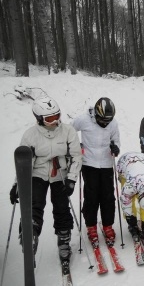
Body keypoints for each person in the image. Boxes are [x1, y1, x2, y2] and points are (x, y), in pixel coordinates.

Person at [9, 96, 82, 264]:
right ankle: (30, 235)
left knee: (62, 207)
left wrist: (71, 179)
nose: (55, 121)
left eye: (57, 116)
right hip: (38, 173)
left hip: (60, 173)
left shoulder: (67, 130)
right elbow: (23, 163)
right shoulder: (30, 135)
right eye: (50, 118)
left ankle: (63, 241)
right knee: (34, 204)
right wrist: (17, 185)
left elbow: (76, 156)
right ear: (40, 119)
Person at [72, 97, 120, 247]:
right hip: (89, 163)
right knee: (91, 196)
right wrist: (75, 144)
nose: (105, 123)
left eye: (108, 120)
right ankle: (91, 226)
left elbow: (116, 140)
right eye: (103, 120)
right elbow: (68, 131)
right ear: (96, 114)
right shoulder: (83, 120)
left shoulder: (113, 123)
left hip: (106, 163)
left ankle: (108, 226)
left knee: (108, 196)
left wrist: (115, 148)